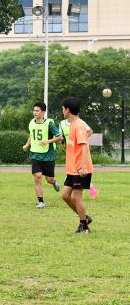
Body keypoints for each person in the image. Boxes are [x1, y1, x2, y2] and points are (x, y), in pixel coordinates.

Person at [60, 97, 94, 233]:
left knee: (76, 197)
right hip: (72, 168)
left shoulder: (79, 125)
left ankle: (84, 226)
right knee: (65, 196)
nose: (62, 111)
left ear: (68, 110)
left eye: (63, 109)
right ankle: (85, 218)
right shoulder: (73, 124)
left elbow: (84, 147)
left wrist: (84, 167)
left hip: (80, 169)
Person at [22, 101, 63, 209]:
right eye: (34, 110)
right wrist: (27, 145)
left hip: (48, 155)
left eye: (37, 111)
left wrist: (48, 141)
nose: (35, 112)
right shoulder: (31, 122)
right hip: (35, 154)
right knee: (37, 177)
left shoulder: (49, 123)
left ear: (43, 112)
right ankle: (41, 202)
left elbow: (60, 137)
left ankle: (54, 182)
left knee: (49, 179)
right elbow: (32, 135)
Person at [61, 116, 99, 199]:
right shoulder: (62, 123)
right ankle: (91, 189)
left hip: (78, 152)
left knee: (75, 174)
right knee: (72, 174)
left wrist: (81, 140)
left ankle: (90, 190)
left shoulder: (80, 123)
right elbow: (60, 136)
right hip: (71, 151)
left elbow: (90, 131)